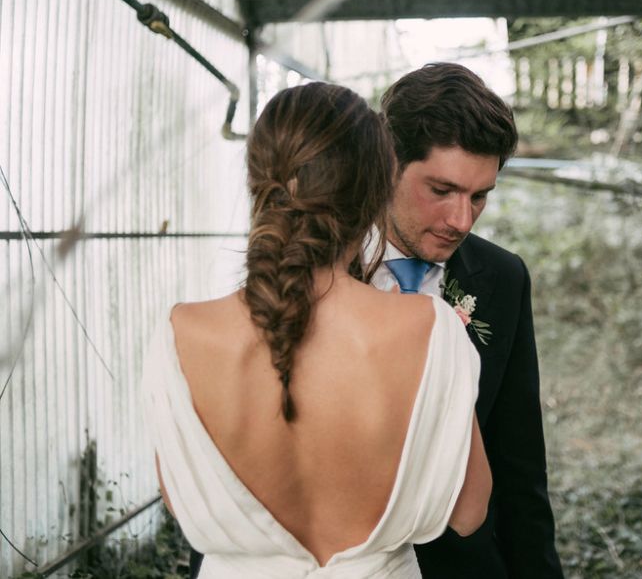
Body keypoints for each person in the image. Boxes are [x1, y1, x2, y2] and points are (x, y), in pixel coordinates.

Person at [143, 82, 491, 578]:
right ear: (375, 193)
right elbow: (468, 511)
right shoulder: (427, 326)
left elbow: (181, 501)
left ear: (259, 183)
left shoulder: (181, 334)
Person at [376, 63, 564, 578]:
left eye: (479, 196)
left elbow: (520, 462)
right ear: (386, 162)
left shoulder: (502, 278)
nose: (462, 220)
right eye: (441, 190)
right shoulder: (315, 269)